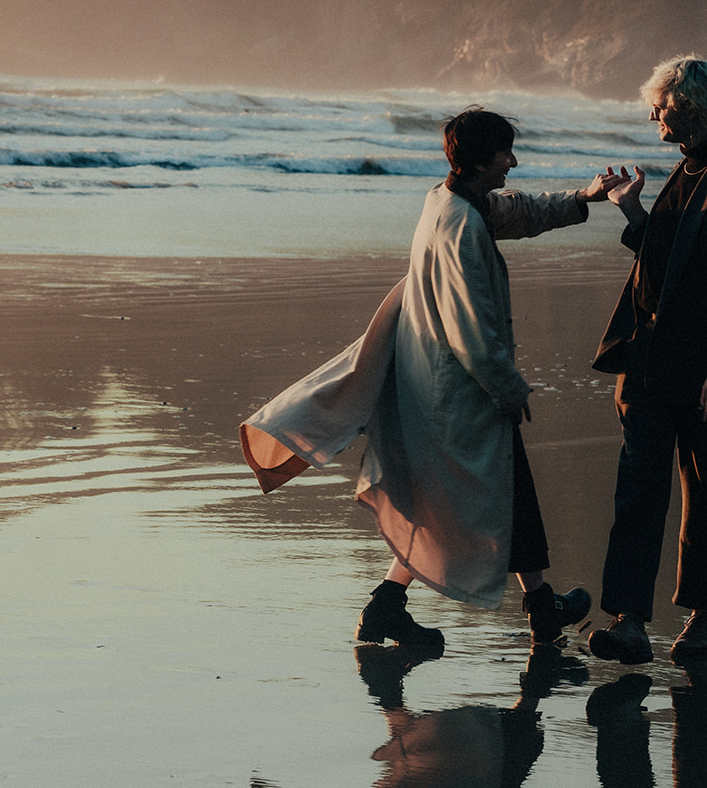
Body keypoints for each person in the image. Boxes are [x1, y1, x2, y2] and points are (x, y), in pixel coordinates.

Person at [241, 107, 621, 649]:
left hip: (435, 379)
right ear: (478, 159)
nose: (512, 162)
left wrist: (583, 199)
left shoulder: (449, 201)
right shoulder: (461, 225)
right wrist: (508, 388)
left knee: (454, 496)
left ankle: (491, 605)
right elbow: (472, 325)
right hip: (458, 387)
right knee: (488, 493)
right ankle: (530, 606)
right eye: (505, 153)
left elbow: (515, 212)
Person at [587, 56, 707, 666]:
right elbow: (666, 266)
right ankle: (628, 622)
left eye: (660, 106)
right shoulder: (688, 170)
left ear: (688, 106)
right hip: (650, 362)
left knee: (705, 490)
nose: (651, 115)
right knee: (637, 492)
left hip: (702, 371)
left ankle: (703, 619)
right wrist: (633, 211)